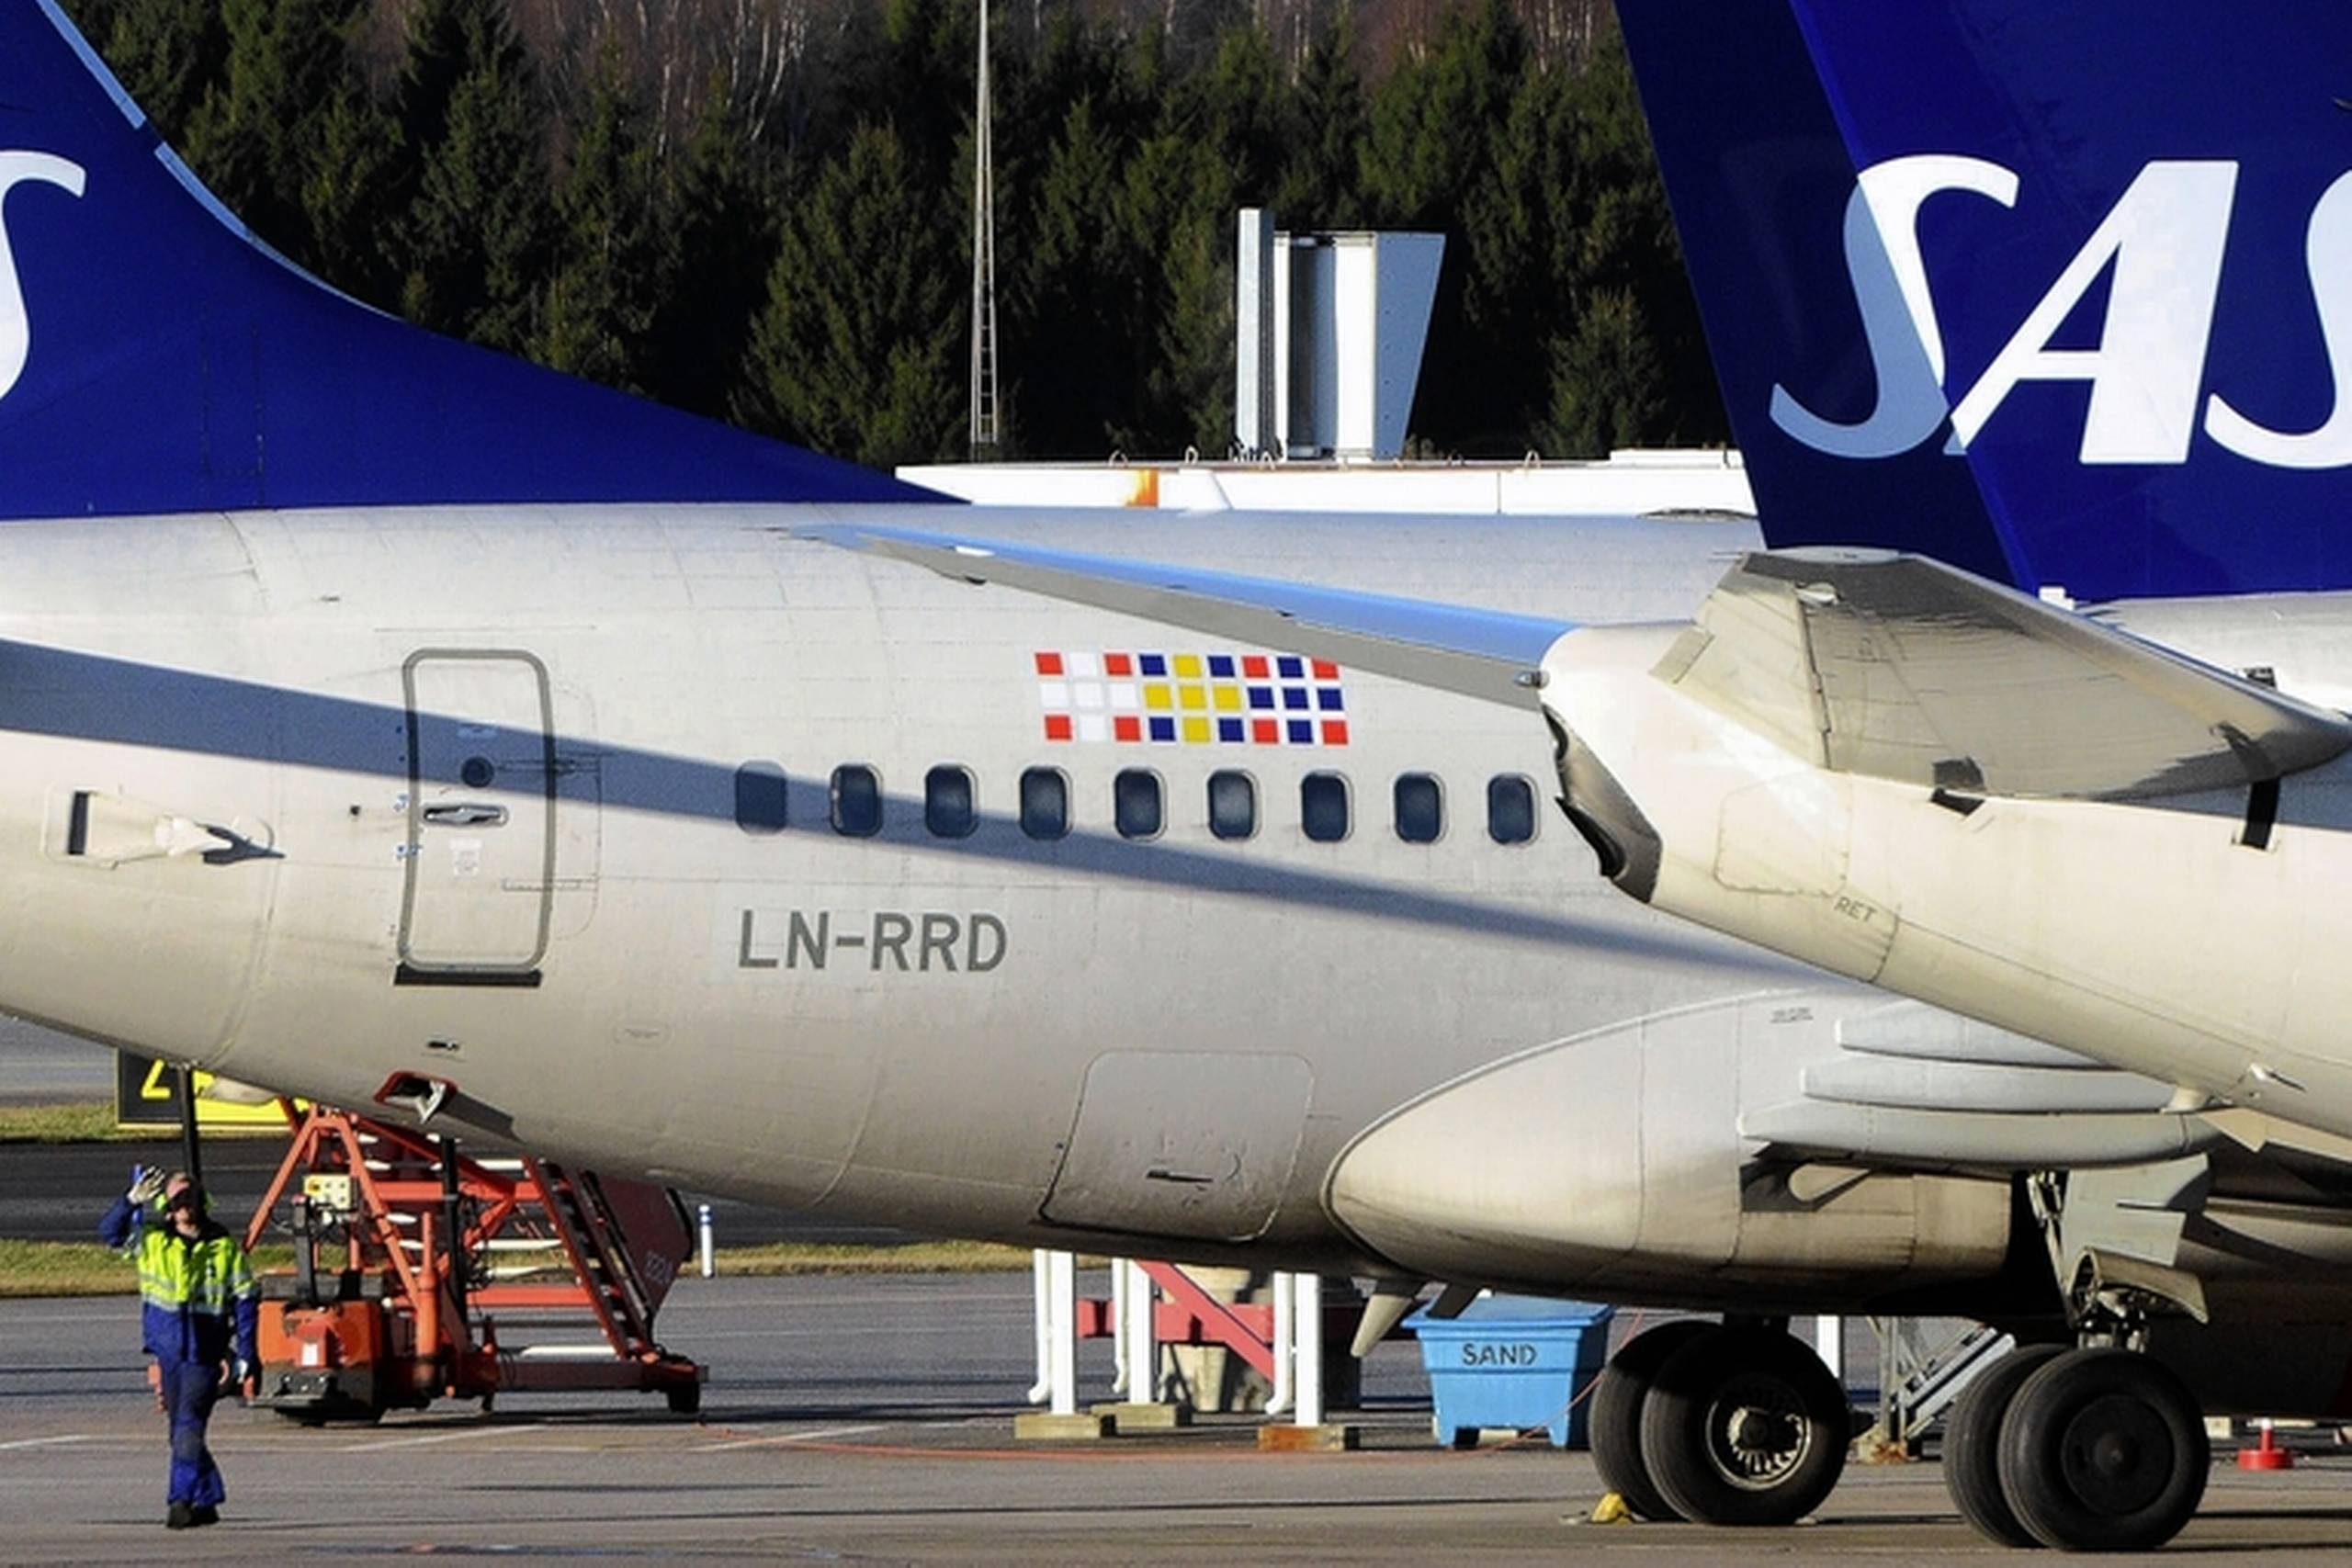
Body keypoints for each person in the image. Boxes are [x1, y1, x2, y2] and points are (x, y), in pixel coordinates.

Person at [100, 1166, 259, 1529]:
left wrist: (248, 1353)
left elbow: (247, 1302)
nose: (183, 1203)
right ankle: (208, 1497)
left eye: (189, 1196)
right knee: (179, 1433)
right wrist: (128, 1202)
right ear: (165, 1205)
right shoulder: (152, 1241)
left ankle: (180, 1501)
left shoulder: (224, 1249)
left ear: (202, 1202)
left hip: (204, 1355)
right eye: (175, 1198)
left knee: (188, 1427)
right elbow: (109, 1233)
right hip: (168, 1353)